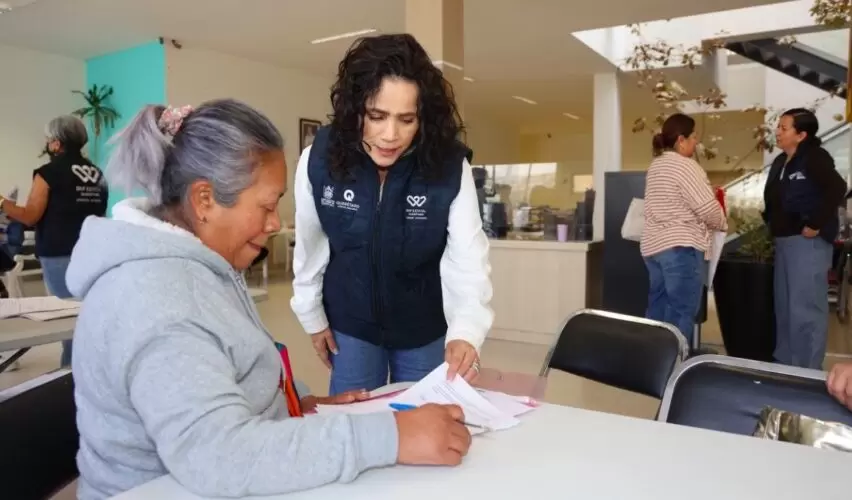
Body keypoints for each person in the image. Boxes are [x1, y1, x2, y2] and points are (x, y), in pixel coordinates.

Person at [67, 99, 472, 500]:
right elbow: (221, 458)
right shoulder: (156, 301)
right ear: (204, 199)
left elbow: (229, 369)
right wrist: (393, 436)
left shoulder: (199, 267)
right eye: (266, 205)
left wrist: (298, 403)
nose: (276, 223)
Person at [290, 34, 493, 395]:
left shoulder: (448, 166)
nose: (390, 135)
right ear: (355, 110)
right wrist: (312, 316)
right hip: (351, 326)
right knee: (353, 430)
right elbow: (310, 244)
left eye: (407, 119)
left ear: (423, 119)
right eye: (376, 116)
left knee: (426, 426)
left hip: (423, 327)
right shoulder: (319, 159)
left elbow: (468, 258)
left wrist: (467, 331)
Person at [0, 116, 107, 367]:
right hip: (92, 248)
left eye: (49, 140)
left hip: (59, 252)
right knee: (86, 311)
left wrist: (3, 202)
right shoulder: (95, 172)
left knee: (66, 313)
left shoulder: (49, 173)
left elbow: (30, 215)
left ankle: (69, 369)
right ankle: (90, 367)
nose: (48, 144)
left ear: (57, 144)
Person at [764, 108, 847, 369]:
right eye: (778, 126)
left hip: (807, 244)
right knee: (786, 307)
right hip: (785, 243)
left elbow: (837, 188)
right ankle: (786, 365)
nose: (777, 131)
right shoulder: (780, 161)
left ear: (801, 134)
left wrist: (815, 223)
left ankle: (808, 371)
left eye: (784, 128)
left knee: (806, 309)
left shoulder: (814, 158)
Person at [641, 113, 727, 349]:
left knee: (657, 309)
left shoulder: (656, 166)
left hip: (653, 248)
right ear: (681, 140)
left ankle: (651, 363)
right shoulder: (686, 166)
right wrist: (721, 223)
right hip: (680, 248)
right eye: (693, 138)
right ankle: (672, 368)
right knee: (681, 312)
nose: (695, 143)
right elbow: (707, 208)